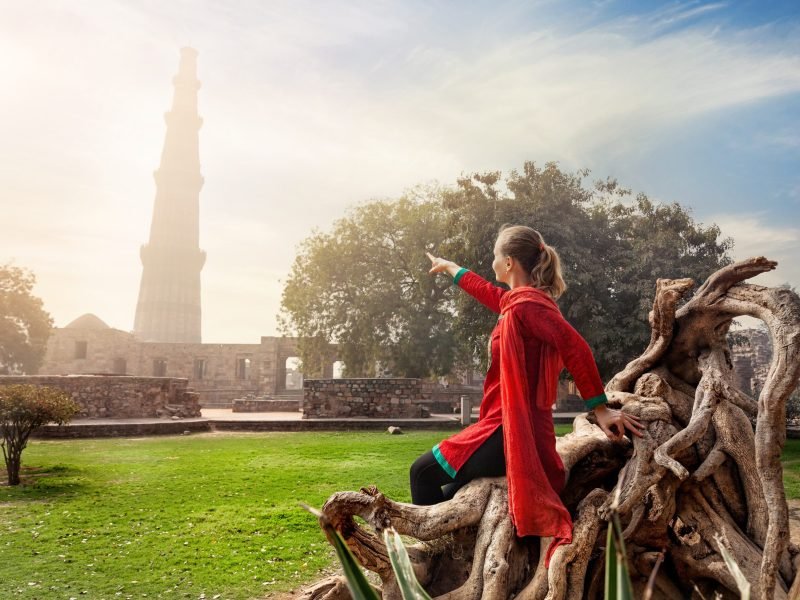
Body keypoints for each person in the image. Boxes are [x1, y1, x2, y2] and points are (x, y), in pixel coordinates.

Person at [412, 224, 644, 567]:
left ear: (508, 263)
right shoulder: (517, 302)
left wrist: (601, 409)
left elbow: (575, 348)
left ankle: (433, 560)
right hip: (504, 426)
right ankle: (450, 556)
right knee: (451, 490)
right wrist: (450, 268)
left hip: (510, 431)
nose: (491, 263)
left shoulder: (528, 306)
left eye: (494, 256)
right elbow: (487, 291)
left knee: (422, 473)